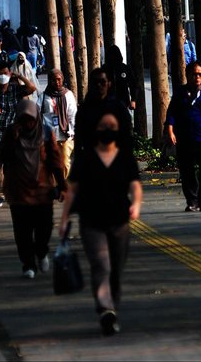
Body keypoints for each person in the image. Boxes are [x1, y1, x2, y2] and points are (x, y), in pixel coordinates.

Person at [59, 108, 142, 336]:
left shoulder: (125, 157)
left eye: (112, 128)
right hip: (92, 221)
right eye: (103, 127)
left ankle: (111, 306)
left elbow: (135, 185)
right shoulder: (85, 158)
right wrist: (64, 219)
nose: (107, 131)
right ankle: (106, 309)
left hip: (119, 222)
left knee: (116, 269)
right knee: (101, 265)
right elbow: (72, 190)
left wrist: (136, 204)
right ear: (96, 130)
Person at [0, 99, 66, 279]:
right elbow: (1, 157)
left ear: (36, 117)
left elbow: (55, 161)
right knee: (22, 232)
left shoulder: (45, 133)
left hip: (42, 192)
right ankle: (28, 264)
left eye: (30, 119)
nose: (27, 123)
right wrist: (11, 140)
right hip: (18, 192)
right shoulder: (11, 134)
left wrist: (62, 186)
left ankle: (42, 251)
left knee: (44, 228)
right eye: (23, 119)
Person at [0, 61, 37, 208]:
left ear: (9, 74)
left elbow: (32, 88)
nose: (2, 76)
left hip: (13, 134)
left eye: (5, 73)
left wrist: (19, 76)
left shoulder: (15, 89)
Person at [165, 61, 201, 212]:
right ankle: (192, 201)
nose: (197, 77)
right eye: (194, 74)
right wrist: (170, 131)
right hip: (185, 138)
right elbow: (171, 113)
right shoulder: (180, 93)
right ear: (187, 75)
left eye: (200, 74)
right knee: (187, 171)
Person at [74, 67, 132, 154]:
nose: (99, 85)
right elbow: (79, 136)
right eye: (95, 82)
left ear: (109, 83)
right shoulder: (84, 109)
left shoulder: (119, 107)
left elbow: (127, 133)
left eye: (102, 82)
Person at [37, 69, 77, 178]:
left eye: (59, 79)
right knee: (51, 163)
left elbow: (72, 115)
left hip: (65, 136)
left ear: (62, 79)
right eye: (53, 80)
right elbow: (37, 112)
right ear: (49, 81)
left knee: (64, 162)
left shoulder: (68, 95)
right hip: (49, 136)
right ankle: (55, 188)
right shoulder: (44, 96)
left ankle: (64, 185)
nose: (57, 82)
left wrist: (72, 132)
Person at [102, 45, 137, 112]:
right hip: (107, 104)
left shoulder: (125, 68)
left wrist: (133, 100)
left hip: (123, 102)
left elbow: (133, 85)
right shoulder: (104, 69)